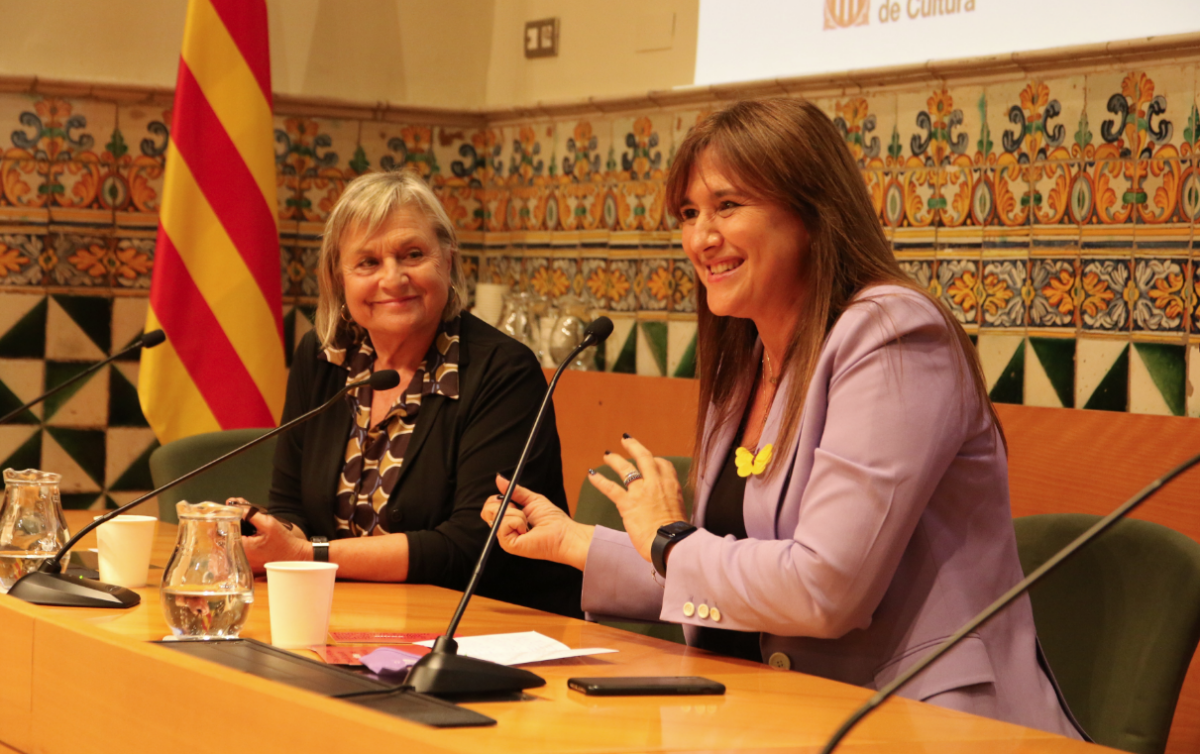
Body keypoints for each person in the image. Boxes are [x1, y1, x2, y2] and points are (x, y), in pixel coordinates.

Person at [481, 98, 1085, 736]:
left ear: (810, 210)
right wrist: (579, 543)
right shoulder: (747, 359)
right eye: (689, 214)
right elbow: (743, 567)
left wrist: (666, 537)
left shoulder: (894, 334)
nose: (700, 237)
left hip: (922, 722)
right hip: (772, 713)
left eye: (727, 206)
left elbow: (825, 589)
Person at [237, 169, 582, 618]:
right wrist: (266, 534)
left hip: (487, 631)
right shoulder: (325, 357)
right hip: (346, 619)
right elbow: (290, 505)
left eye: (412, 254)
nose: (393, 278)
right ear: (338, 278)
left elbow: (470, 546)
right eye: (368, 263)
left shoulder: (503, 371)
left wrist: (308, 556)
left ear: (448, 261)